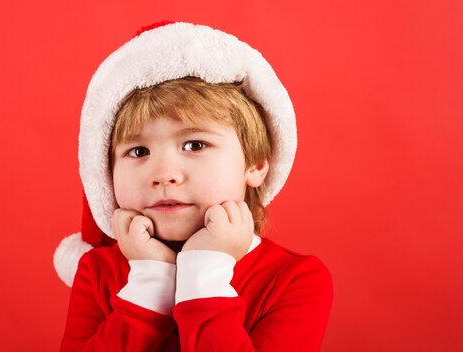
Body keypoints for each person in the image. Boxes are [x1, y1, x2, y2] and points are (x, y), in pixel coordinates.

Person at [53, 22, 333, 351]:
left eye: (195, 145)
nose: (164, 174)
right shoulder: (98, 271)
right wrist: (148, 282)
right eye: (138, 151)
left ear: (255, 164)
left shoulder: (294, 279)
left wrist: (206, 271)